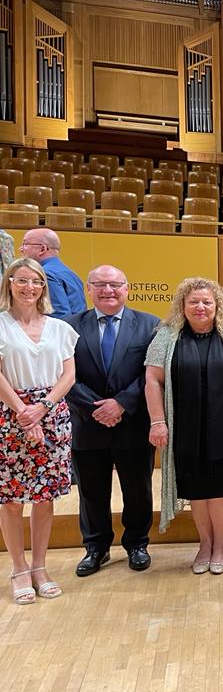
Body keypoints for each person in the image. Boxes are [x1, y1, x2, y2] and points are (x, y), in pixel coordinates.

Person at [144, 278, 223, 575]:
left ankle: (222, 546)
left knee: (220, 487)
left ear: (218, 305)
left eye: (207, 301)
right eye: (194, 302)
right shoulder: (166, 337)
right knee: (196, 489)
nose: (201, 307)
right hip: (184, 428)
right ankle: (205, 544)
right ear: (183, 306)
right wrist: (158, 421)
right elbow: (152, 380)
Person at [66, 265, 160, 576]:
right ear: (88, 289)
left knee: (138, 488)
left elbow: (151, 373)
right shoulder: (68, 327)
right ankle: (96, 548)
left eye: (115, 284)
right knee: (92, 491)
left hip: (132, 424)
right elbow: (65, 376)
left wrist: (121, 404)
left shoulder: (149, 325)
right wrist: (97, 408)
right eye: (101, 284)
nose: (108, 290)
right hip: (87, 423)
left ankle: (137, 544)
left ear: (127, 288)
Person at [0, 258, 78, 604]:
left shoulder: (59, 328)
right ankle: (18, 569)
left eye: (36, 282)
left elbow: (69, 376)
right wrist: (23, 412)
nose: (29, 287)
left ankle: (40, 566)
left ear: (43, 287)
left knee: (44, 498)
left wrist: (42, 408)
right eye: (22, 281)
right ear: (10, 283)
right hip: (10, 414)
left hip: (51, 411)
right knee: (13, 500)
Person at [18, 228, 86, 319]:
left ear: (43, 249)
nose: (21, 249)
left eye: (25, 244)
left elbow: (59, 316)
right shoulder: (72, 274)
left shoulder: (45, 275)